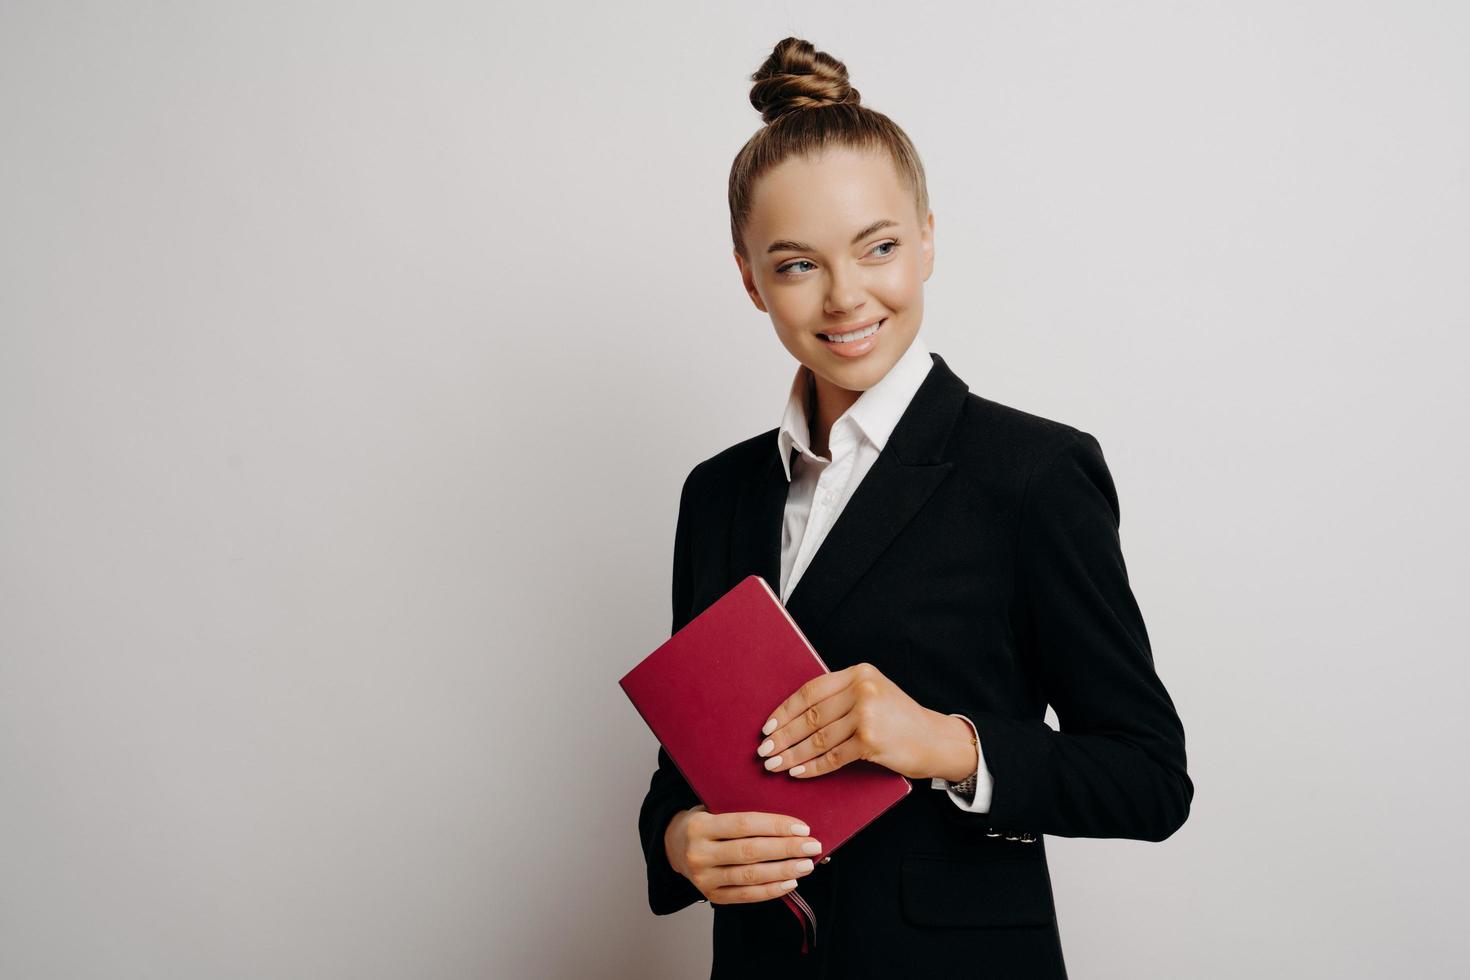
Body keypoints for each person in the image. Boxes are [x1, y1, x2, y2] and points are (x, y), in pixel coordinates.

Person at [636, 36, 1193, 979]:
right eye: (797, 264)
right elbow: (685, 765)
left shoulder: (1034, 473)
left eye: (879, 247)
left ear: (928, 238)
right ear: (749, 279)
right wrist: (680, 842)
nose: (847, 295)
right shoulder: (718, 493)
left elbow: (1148, 779)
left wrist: (943, 744)